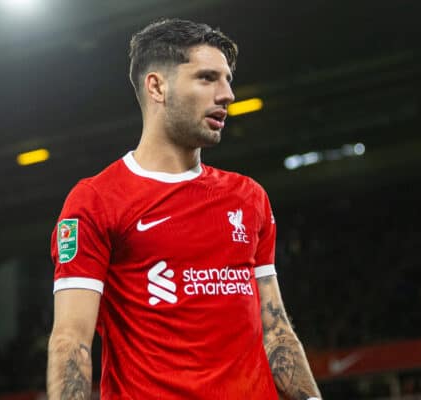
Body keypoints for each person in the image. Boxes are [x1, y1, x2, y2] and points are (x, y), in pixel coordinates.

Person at [47, 18, 322, 400]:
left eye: (227, 79)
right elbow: (71, 341)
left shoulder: (248, 197)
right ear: (157, 86)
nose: (227, 94)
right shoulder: (96, 201)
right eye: (208, 78)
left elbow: (275, 329)